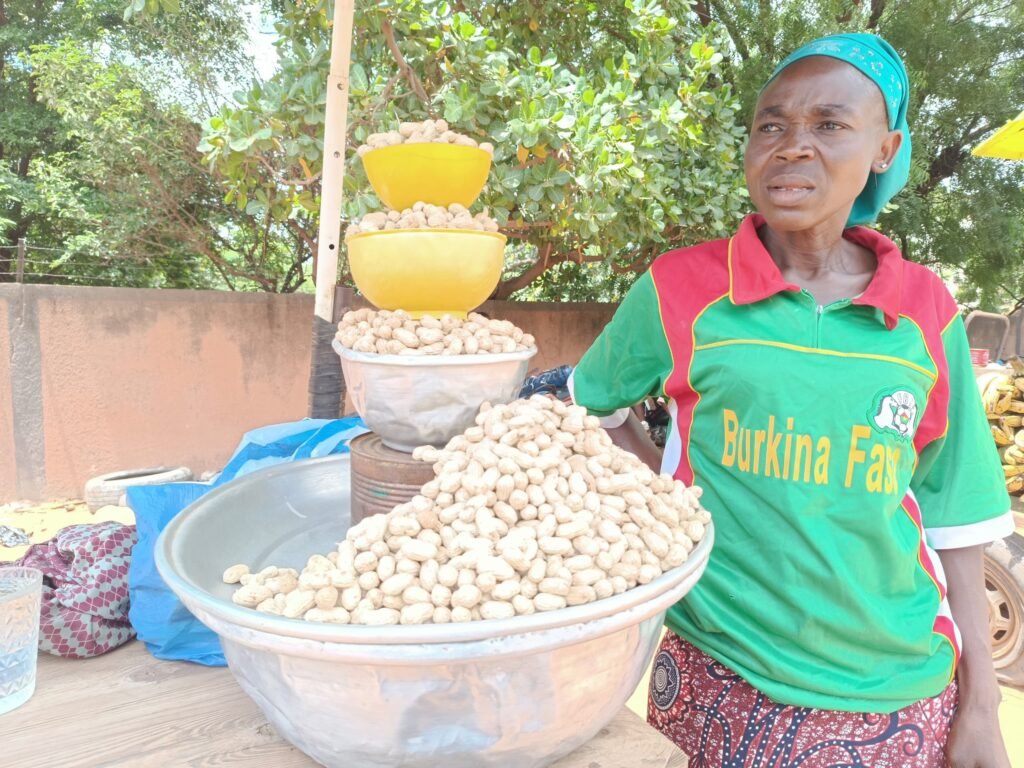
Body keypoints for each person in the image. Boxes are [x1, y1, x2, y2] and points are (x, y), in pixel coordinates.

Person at [569, 33, 1015, 768]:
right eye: (770, 125)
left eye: (829, 124)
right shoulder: (681, 288)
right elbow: (592, 405)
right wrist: (665, 500)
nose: (792, 145)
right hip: (717, 678)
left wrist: (982, 708)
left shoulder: (924, 309)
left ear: (885, 147)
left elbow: (957, 524)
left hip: (899, 693)